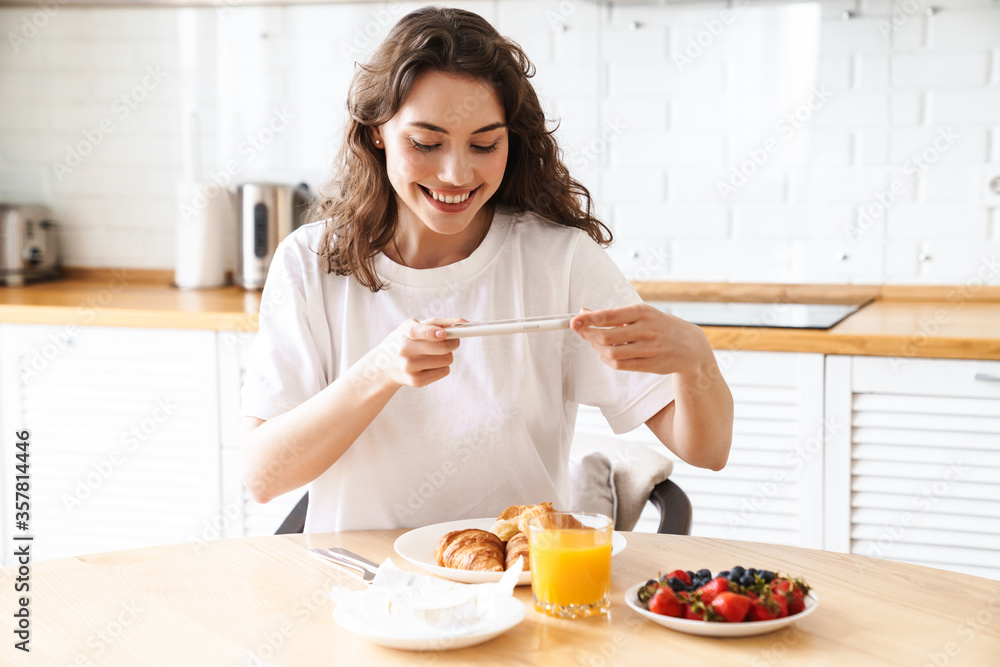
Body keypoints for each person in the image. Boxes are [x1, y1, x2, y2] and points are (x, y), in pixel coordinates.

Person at [240, 6, 733, 532]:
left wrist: (697, 364)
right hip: (360, 591)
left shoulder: (559, 262)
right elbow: (263, 477)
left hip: (516, 591)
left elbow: (706, 451)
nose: (456, 173)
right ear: (377, 132)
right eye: (425, 143)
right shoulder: (311, 263)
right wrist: (379, 371)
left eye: (484, 144)